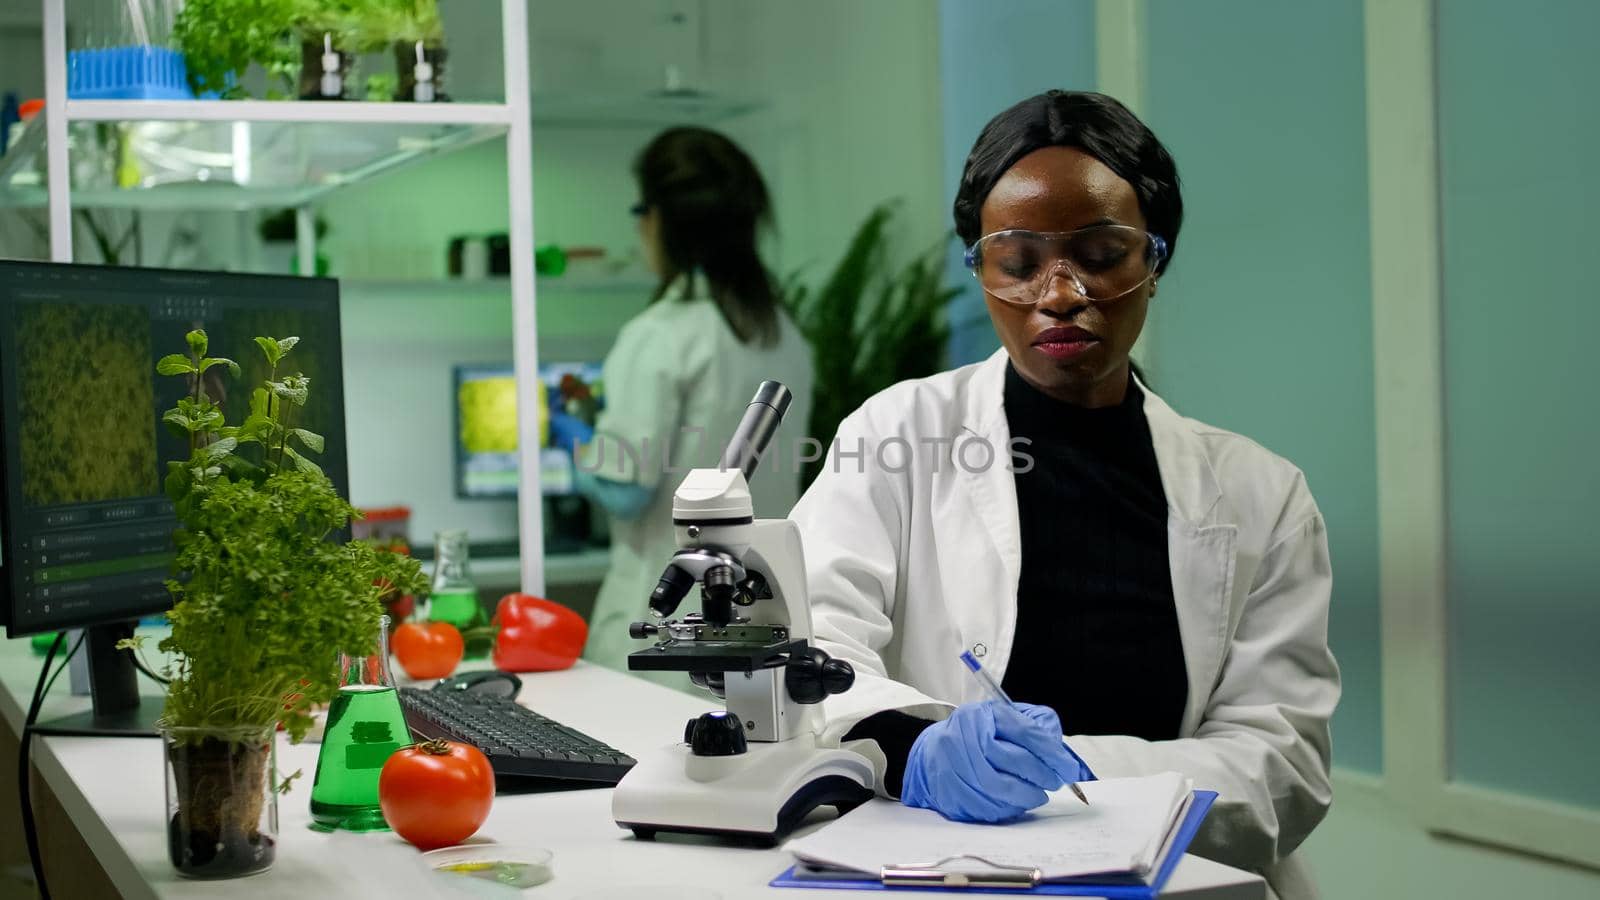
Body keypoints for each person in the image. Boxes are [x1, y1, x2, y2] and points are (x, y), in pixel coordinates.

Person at [789, 92, 1338, 899]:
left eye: (1102, 253)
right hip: (937, 867)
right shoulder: (896, 434)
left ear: (1155, 263)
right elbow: (811, 645)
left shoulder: (1263, 494)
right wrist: (917, 747)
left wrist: (1078, 770)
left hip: (1175, 881)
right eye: (1017, 260)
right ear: (981, 269)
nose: (1060, 293)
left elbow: (1282, 760)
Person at [577, 127, 814, 685]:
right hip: (763, 629)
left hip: (663, 631)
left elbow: (628, 491)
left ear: (661, 219)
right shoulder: (784, 334)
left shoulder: (661, 334)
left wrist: (575, 448)